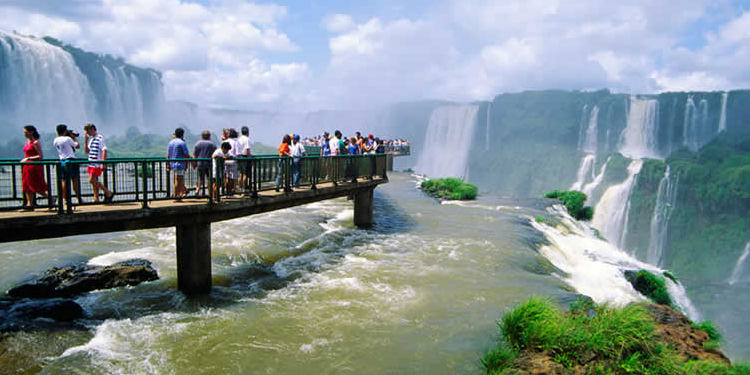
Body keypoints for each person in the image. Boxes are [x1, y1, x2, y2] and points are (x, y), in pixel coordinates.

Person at [20, 125, 49, 210]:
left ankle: (50, 198)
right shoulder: (27, 142)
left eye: (26, 132)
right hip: (27, 166)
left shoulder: (35, 142)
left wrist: (28, 158)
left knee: (35, 186)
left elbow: (40, 156)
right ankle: (29, 204)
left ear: (31, 132)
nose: (24, 134)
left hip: (34, 166)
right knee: (26, 185)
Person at [84, 123, 114, 203]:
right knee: (94, 181)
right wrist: (86, 141)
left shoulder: (99, 138)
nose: (88, 133)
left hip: (96, 163)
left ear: (93, 129)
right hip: (91, 163)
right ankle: (96, 198)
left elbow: (104, 150)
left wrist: (103, 163)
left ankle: (108, 192)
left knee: (91, 180)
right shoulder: (91, 140)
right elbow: (87, 151)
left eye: (88, 131)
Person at [53, 124, 82, 206]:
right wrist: (74, 138)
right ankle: (78, 198)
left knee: (64, 180)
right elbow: (77, 146)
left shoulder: (55, 140)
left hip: (62, 161)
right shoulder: (68, 139)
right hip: (71, 161)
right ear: (65, 131)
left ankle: (64, 199)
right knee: (75, 180)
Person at [167, 127, 191, 201]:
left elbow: (168, 155)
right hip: (180, 164)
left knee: (177, 180)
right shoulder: (182, 143)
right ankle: (176, 196)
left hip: (172, 164)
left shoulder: (170, 142)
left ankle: (177, 195)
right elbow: (186, 154)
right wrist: (190, 161)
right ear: (182, 135)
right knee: (179, 180)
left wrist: (168, 164)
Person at [193, 130, 216, 196]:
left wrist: (194, 163)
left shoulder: (197, 143)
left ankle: (197, 190)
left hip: (200, 163)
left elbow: (194, 155)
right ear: (209, 136)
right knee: (209, 178)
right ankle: (210, 193)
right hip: (209, 164)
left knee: (200, 178)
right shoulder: (212, 144)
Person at [237, 126, 252, 192]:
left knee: (240, 173)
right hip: (245, 157)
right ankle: (244, 188)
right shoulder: (247, 139)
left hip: (239, 157)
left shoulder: (239, 139)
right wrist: (249, 158)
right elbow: (247, 149)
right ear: (248, 132)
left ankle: (239, 188)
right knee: (245, 174)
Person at [225, 128, 239, 195]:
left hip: (225, 161)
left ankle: (227, 191)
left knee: (227, 177)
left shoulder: (225, 141)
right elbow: (237, 153)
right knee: (232, 178)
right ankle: (230, 192)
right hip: (233, 161)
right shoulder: (235, 142)